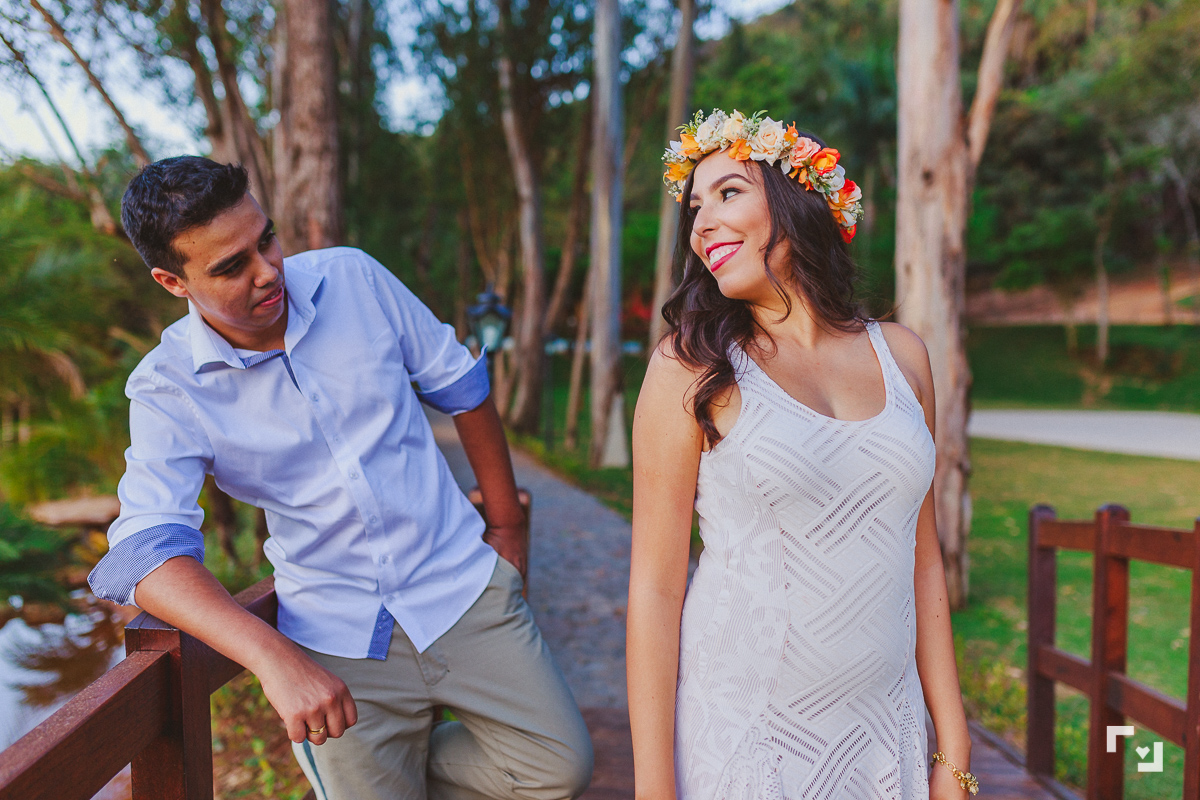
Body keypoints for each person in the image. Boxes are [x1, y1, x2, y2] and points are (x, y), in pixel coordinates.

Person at [88, 156, 592, 800]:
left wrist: (507, 522)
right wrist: (272, 657)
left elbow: (461, 386)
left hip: (461, 590)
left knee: (559, 768)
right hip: (333, 637)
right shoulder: (167, 388)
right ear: (172, 281)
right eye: (230, 265)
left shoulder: (353, 279)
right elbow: (147, 553)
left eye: (264, 239)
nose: (269, 271)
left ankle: (398, 774)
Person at [626, 110, 978, 799]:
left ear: (797, 199)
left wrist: (954, 750)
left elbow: (924, 558)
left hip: (887, 729)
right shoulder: (692, 367)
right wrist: (652, 790)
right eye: (694, 206)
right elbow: (655, 589)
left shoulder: (903, 356)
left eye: (729, 192)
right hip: (751, 736)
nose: (700, 223)